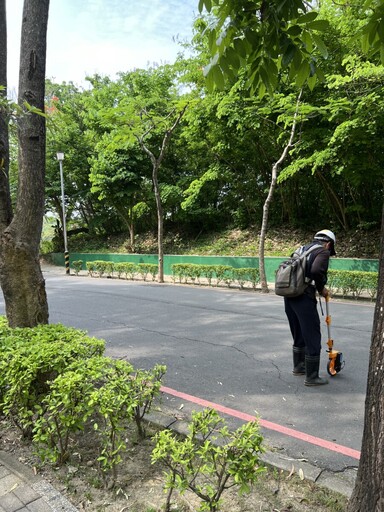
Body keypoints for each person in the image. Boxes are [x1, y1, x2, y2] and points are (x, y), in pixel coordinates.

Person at [284, 229, 336, 386]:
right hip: (304, 297)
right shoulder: (323, 252)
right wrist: (321, 289)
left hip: (289, 295)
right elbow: (315, 271)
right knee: (312, 335)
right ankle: (312, 377)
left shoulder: (301, 249)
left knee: (299, 331)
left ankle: (299, 367)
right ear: (328, 243)